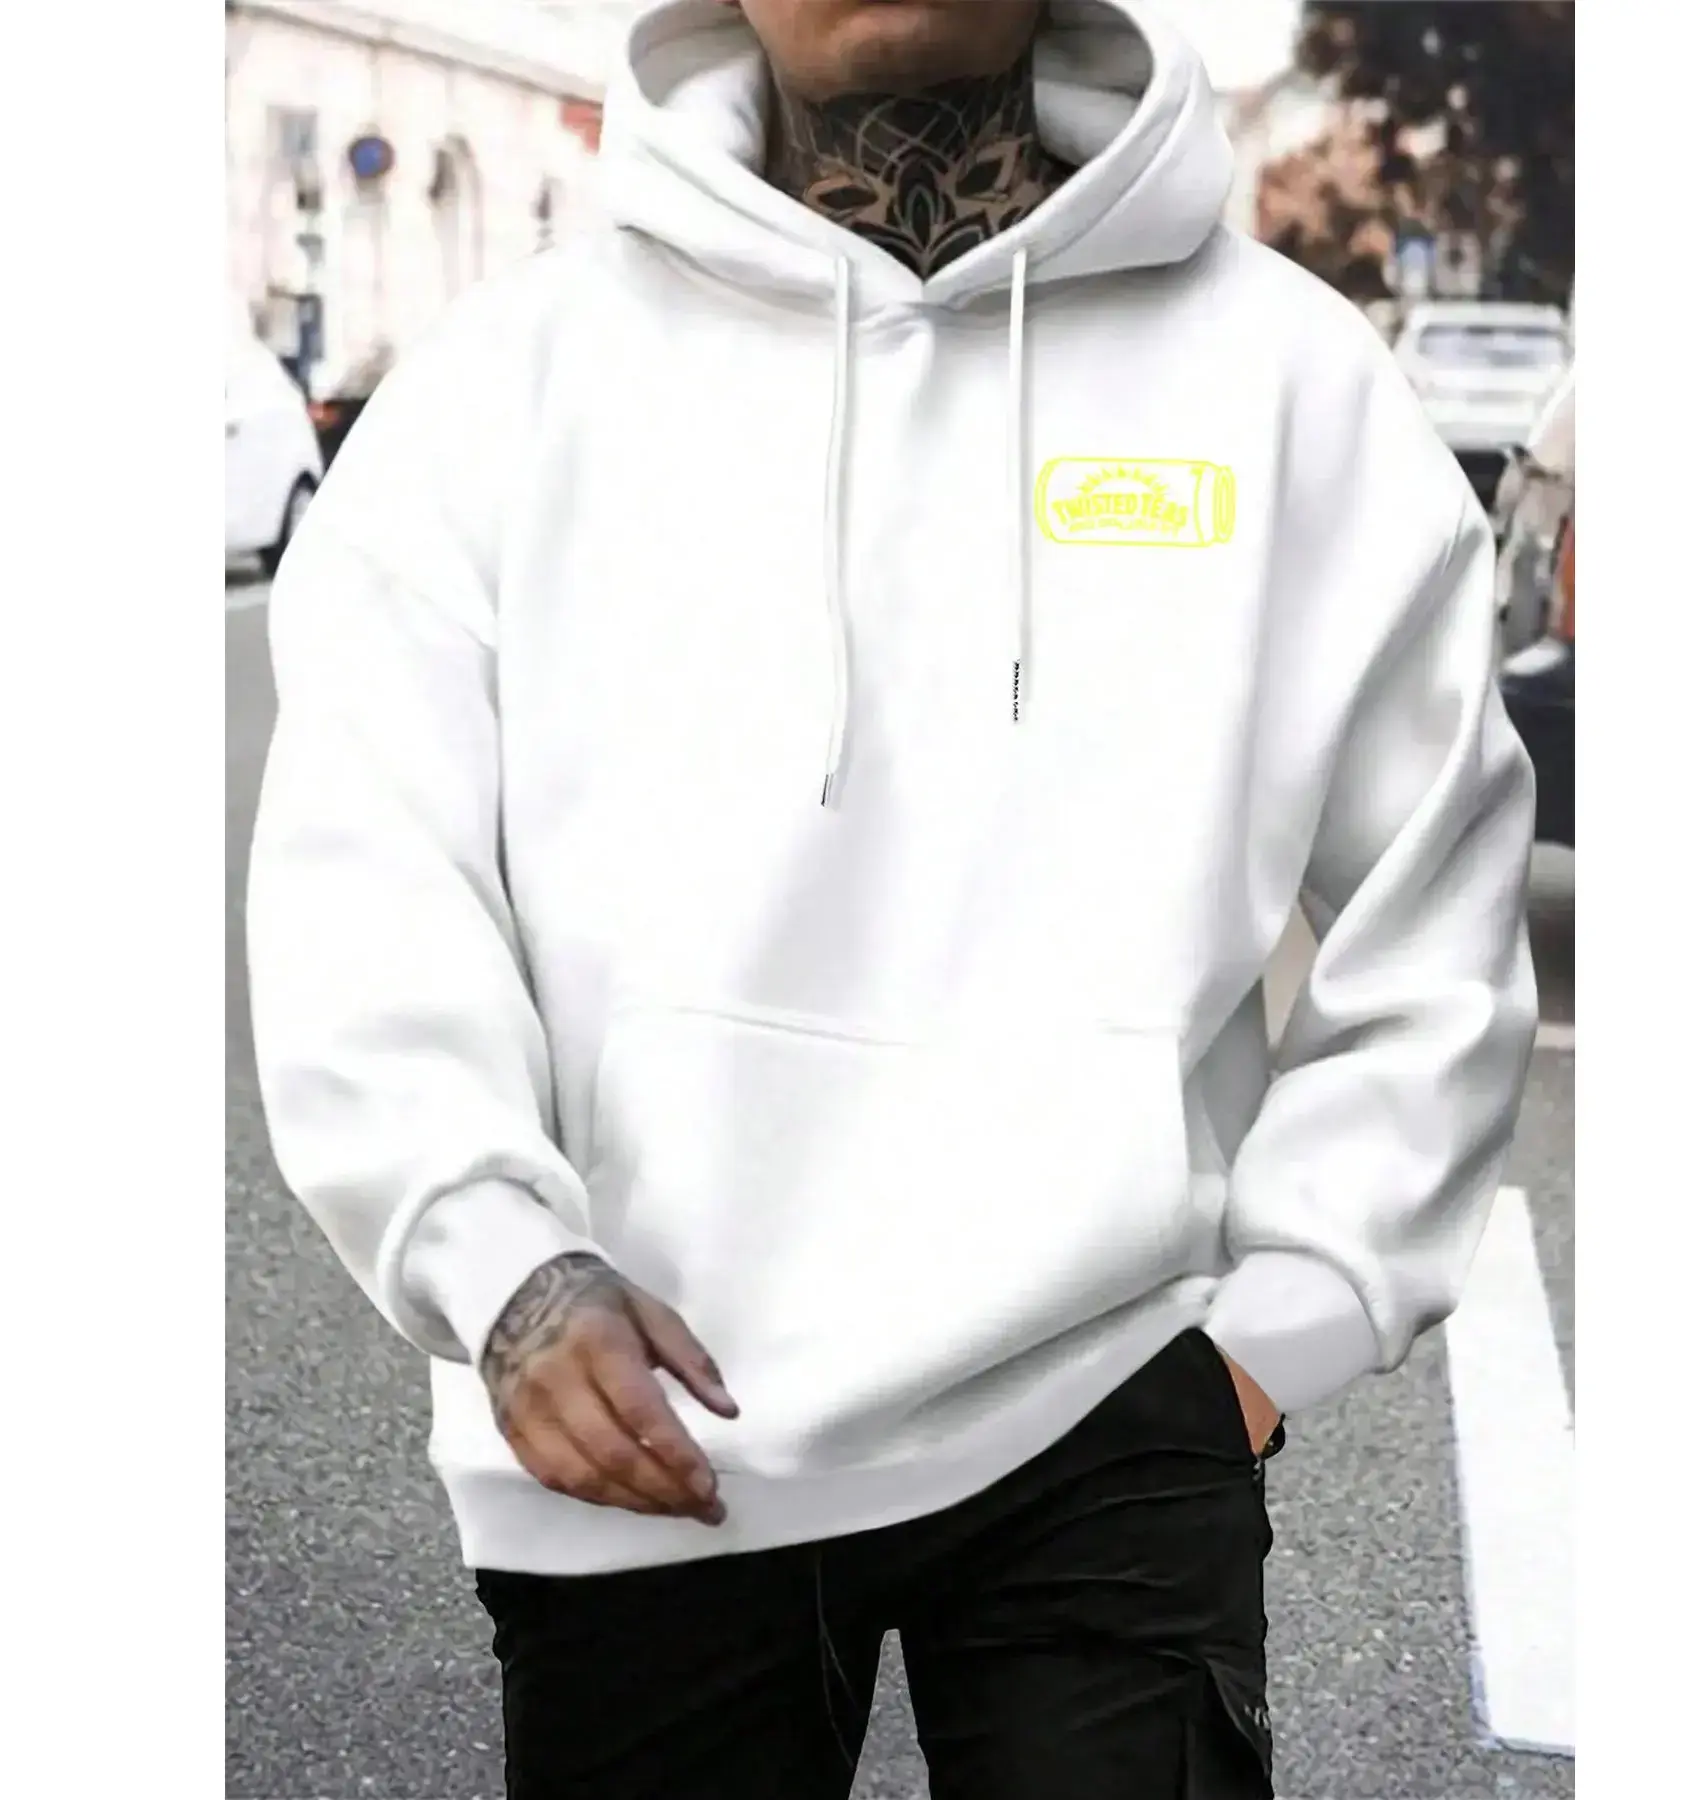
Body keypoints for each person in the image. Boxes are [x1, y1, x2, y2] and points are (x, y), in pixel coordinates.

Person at [247, 0, 1539, 1794]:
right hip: (641, 1414)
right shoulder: (505, 391)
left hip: (1114, 1409)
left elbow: (1438, 905)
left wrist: (1279, 1328)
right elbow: (368, 882)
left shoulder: (1288, 387)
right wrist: (498, 1262)